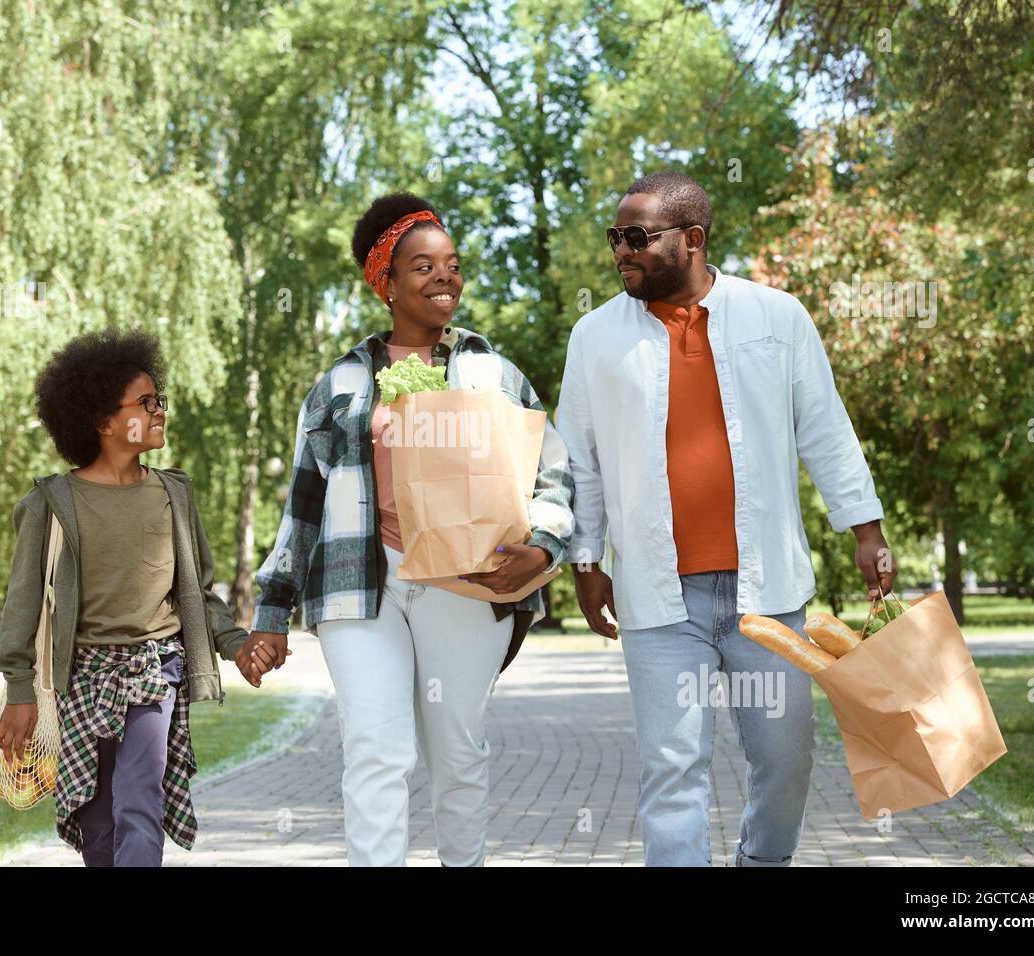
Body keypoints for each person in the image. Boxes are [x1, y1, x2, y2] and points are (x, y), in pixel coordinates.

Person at [555, 171, 896, 867]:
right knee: (673, 773)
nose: (622, 251)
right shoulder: (595, 338)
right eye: (615, 237)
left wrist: (866, 529)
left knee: (787, 762)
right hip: (658, 599)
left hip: (766, 595)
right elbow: (578, 461)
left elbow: (824, 429)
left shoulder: (777, 316)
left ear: (693, 238)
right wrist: (585, 562)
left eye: (638, 237)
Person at [243, 193, 575, 866]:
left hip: (465, 579)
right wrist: (269, 611)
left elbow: (555, 479)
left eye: (451, 264)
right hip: (358, 585)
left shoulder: (496, 376)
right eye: (422, 267)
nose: (444, 277)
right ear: (386, 284)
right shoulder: (338, 384)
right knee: (375, 750)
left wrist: (540, 549)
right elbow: (303, 504)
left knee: (457, 752)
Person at [0, 328, 273, 866]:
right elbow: (21, 606)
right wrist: (19, 691)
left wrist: (236, 644)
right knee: (97, 824)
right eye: (146, 403)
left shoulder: (174, 494)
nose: (160, 410)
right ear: (101, 422)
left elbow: (198, 593)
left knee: (138, 807)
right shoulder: (50, 504)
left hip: (154, 671)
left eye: (158, 399)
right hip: (80, 681)